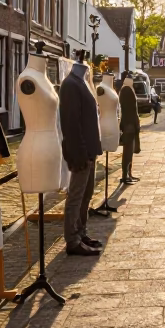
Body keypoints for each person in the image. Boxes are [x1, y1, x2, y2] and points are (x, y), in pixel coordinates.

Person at [60, 60, 103, 256]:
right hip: (81, 152)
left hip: (90, 150)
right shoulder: (70, 85)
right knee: (76, 196)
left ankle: (81, 232)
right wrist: (81, 153)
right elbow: (71, 123)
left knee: (86, 194)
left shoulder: (83, 82)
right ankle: (72, 239)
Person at [119, 75, 141, 183]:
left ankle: (129, 173)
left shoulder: (127, 89)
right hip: (129, 125)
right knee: (128, 151)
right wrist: (135, 124)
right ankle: (125, 175)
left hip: (130, 124)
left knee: (130, 150)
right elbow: (129, 110)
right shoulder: (126, 90)